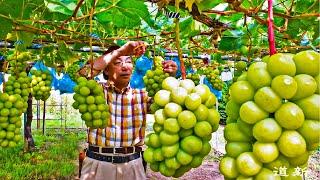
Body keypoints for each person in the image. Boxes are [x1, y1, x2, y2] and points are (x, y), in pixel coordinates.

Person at [80, 41, 178, 180]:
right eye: (117, 62)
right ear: (106, 70)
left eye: (128, 61)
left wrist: (170, 76)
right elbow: (83, 74)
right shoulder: (95, 91)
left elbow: (167, 104)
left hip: (133, 164)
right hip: (98, 163)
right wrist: (120, 51)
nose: (125, 66)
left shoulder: (141, 96)